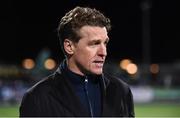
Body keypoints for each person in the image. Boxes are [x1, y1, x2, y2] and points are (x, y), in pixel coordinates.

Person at [19, 6, 135, 117]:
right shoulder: (37, 97)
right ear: (69, 47)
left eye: (105, 43)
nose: (103, 52)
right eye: (94, 44)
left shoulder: (121, 91)